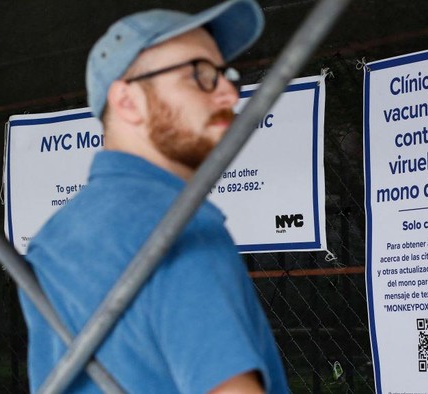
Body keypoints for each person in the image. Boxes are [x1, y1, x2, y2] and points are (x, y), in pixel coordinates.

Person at [19, 0, 289, 392]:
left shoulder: (54, 237)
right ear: (128, 102)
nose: (229, 92)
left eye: (226, 74)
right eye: (200, 74)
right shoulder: (177, 226)